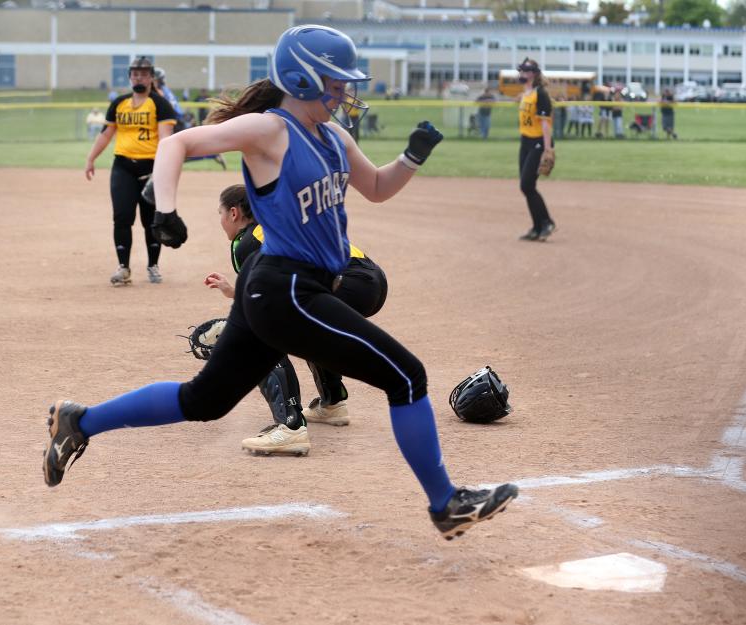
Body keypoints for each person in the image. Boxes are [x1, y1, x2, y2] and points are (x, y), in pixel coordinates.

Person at [43, 25, 519, 541]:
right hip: (287, 286)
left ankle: (80, 421)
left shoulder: (334, 136)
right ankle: (445, 502)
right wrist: (165, 209)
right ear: (303, 76)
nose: (344, 91)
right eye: (335, 81)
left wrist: (412, 158)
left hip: (278, 286)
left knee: (204, 400)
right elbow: (177, 144)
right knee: (406, 377)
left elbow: (377, 188)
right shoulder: (270, 131)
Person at [203, 184, 389, 455]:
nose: (220, 220)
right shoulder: (273, 225)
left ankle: (290, 427)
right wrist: (234, 292)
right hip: (369, 281)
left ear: (233, 213)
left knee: (263, 334)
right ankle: (332, 402)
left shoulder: (248, 241)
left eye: (219, 213)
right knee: (302, 327)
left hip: (346, 283)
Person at [85, 57, 178, 286]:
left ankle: (153, 265)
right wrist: (91, 158)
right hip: (123, 167)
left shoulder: (159, 104)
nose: (139, 77)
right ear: (129, 76)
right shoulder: (119, 103)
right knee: (122, 217)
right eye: (135, 73)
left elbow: (166, 138)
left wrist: (163, 170)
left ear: (151, 77)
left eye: (144, 73)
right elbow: (107, 134)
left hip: (151, 168)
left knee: (150, 221)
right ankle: (123, 267)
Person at [515, 58, 557, 242]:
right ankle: (537, 227)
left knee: (526, 184)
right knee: (527, 187)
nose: (522, 74)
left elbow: (545, 123)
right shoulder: (526, 93)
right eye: (521, 71)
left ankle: (547, 222)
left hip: (539, 142)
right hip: (525, 142)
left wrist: (547, 149)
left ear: (533, 73)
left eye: (525, 71)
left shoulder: (541, 94)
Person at [155, 67, 227, 169]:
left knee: (176, 153)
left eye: (152, 78)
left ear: (158, 80)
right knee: (174, 153)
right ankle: (212, 154)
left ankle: (213, 154)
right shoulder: (164, 90)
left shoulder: (159, 91)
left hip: (175, 123)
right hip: (177, 121)